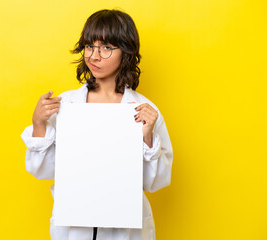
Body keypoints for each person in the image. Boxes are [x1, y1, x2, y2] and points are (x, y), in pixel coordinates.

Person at [21, 9, 173, 240]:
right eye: (89, 46)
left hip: (125, 230)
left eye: (106, 48)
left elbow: (156, 183)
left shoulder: (144, 110)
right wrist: (39, 124)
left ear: (127, 51)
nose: (94, 56)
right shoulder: (67, 105)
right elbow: (43, 171)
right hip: (74, 228)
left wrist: (148, 137)